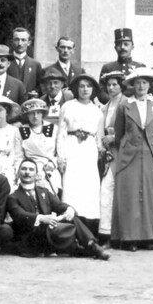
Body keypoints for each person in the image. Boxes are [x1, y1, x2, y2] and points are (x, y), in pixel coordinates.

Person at [6, 158, 109, 260]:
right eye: (24, 169)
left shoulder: (44, 192)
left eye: (31, 169)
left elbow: (59, 205)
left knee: (73, 219)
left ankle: (92, 246)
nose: (27, 172)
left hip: (50, 233)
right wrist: (42, 218)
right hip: (32, 239)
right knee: (60, 233)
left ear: (37, 174)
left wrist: (69, 209)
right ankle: (81, 246)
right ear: (19, 173)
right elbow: (20, 215)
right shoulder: (13, 197)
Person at [111, 67, 153, 250]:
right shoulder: (124, 105)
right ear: (132, 85)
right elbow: (118, 133)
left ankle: (148, 238)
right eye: (137, 83)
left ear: (150, 85)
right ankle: (129, 238)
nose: (141, 86)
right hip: (130, 155)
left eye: (144, 82)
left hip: (150, 154)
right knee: (131, 195)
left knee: (149, 194)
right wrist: (128, 146)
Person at [57, 74, 106, 229]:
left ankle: (89, 226)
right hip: (71, 147)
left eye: (88, 86)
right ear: (76, 89)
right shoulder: (68, 106)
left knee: (89, 186)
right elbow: (61, 133)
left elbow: (99, 137)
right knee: (71, 185)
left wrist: (101, 153)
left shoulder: (97, 111)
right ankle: (70, 224)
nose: (85, 89)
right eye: (82, 86)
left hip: (89, 150)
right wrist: (61, 157)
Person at [98, 70, 126, 241]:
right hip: (110, 154)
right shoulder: (105, 106)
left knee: (122, 190)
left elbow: (132, 129)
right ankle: (106, 232)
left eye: (115, 84)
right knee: (107, 189)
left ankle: (123, 234)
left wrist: (115, 138)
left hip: (124, 151)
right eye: (108, 85)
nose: (111, 87)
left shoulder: (127, 104)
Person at [16, 98, 60, 194]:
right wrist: (21, 170)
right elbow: (18, 156)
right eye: (32, 113)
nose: (35, 116)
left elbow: (60, 152)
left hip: (49, 167)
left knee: (51, 192)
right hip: (29, 167)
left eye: (38, 113)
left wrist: (53, 163)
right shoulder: (21, 131)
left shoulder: (54, 129)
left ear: (42, 114)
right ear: (27, 115)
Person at [7, 27, 41, 96]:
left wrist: (35, 93)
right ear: (12, 41)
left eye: (23, 40)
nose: (20, 43)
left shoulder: (36, 65)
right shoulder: (5, 63)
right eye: (16, 40)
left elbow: (40, 87)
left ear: (29, 43)